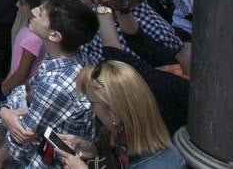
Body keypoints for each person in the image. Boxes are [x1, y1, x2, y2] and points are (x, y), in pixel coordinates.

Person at [0, 0, 99, 169]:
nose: (33, 12)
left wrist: (4, 112)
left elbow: (20, 145)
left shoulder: (55, 85)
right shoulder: (79, 58)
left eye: (41, 13)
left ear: (55, 36)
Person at [57, 59, 185, 169]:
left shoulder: (157, 165)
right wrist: (94, 151)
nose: (90, 108)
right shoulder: (123, 142)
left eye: (92, 102)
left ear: (115, 114)